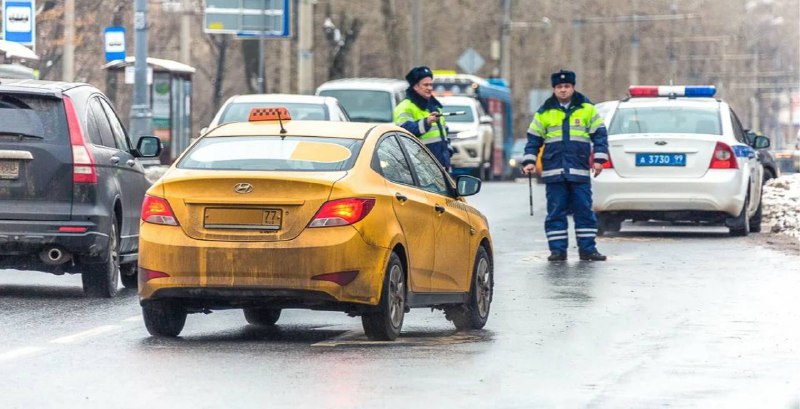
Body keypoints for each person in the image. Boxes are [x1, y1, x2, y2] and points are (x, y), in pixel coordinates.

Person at [521, 69, 609, 262]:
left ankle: (588, 250)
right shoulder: (544, 112)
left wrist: (599, 160)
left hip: (579, 172)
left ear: (573, 87)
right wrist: (529, 161)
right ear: (553, 89)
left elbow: (600, 135)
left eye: (567, 86)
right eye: (559, 87)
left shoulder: (587, 109)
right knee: (556, 211)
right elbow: (533, 139)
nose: (563, 90)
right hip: (554, 172)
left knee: (584, 210)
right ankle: (557, 251)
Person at [394, 66, 451, 170]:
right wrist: (426, 122)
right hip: (420, 170)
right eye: (426, 85)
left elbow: (444, 132)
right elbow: (405, 132)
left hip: (441, 167)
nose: (429, 88)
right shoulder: (404, 107)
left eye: (431, 85)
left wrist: (448, 151)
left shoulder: (435, 106)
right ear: (415, 87)